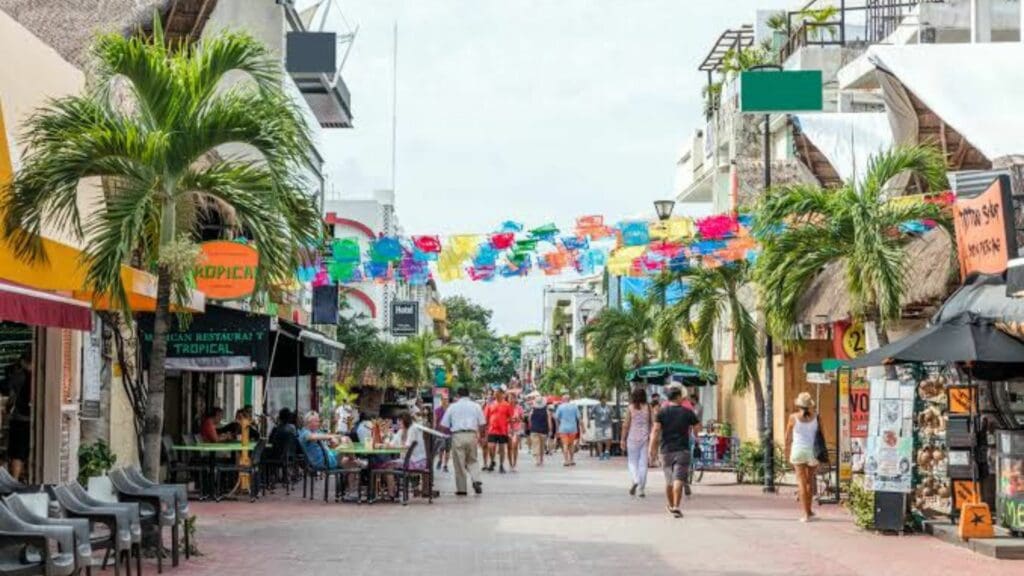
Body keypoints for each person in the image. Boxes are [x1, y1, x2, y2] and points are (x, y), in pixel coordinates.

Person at [649, 384, 701, 518]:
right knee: (679, 478)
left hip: (666, 451)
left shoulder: (661, 412)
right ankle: (676, 506)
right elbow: (697, 427)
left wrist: (651, 449)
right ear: (678, 397)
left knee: (669, 481)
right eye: (681, 397)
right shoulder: (687, 412)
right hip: (683, 450)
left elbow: (655, 431)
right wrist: (696, 436)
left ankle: (671, 505)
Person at [297, 411, 362, 494]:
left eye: (318, 421)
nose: (318, 423)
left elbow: (328, 438)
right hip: (324, 462)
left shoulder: (315, 432)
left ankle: (349, 491)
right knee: (347, 439)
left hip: (329, 459)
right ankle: (356, 460)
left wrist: (334, 439)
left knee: (353, 464)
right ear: (309, 422)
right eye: (316, 421)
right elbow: (312, 437)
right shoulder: (305, 433)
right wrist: (331, 437)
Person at [440, 387, 485, 496]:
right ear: (468, 395)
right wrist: (482, 436)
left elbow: (443, 425)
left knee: (459, 463)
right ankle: (476, 479)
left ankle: (462, 489)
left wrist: (443, 433)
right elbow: (482, 424)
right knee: (473, 460)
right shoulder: (476, 406)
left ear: (458, 395)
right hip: (472, 435)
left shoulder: (452, 407)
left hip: (457, 436)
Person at [786, 392, 823, 522]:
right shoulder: (816, 417)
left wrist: (787, 451)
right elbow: (821, 434)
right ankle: (809, 511)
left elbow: (788, 437)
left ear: (799, 405)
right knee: (809, 481)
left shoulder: (793, 417)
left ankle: (806, 514)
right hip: (812, 452)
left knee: (801, 482)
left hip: (798, 451)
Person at [4, 353, 32, 481]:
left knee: (17, 453)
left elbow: (10, 393)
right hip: (30, 418)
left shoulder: (19, 376)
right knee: (24, 452)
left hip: (20, 418)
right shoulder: (38, 376)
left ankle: (14, 481)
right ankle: (23, 480)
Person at [621, 387, 652, 497]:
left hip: (632, 438)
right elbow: (653, 423)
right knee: (643, 464)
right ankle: (641, 490)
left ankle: (635, 479)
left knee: (632, 462)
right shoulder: (648, 407)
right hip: (645, 438)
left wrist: (622, 439)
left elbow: (626, 425)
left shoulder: (630, 408)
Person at [483, 389, 514, 473]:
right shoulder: (490, 404)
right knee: (491, 447)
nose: (495, 395)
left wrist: (511, 429)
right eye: (494, 393)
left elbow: (510, 418)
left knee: (501, 448)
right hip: (492, 430)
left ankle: (501, 465)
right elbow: (486, 418)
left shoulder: (507, 405)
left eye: (497, 393)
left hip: (503, 430)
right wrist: (485, 429)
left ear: (502, 394)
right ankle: (492, 461)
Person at [554, 395, 584, 467]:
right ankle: (572, 460)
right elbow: (579, 418)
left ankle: (566, 461)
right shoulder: (574, 407)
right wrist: (583, 427)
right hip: (573, 428)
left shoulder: (560, 407)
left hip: (563, 428)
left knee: (565, 444)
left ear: (563, 400)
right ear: (569, 400)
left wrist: (557, 428)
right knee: (571, 444)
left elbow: (556, 418)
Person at [528, 397, 553, 466]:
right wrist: (550, 430)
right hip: (543, 430)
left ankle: (537, 460)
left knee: (536, 445)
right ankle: (541, 459)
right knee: (542, 446)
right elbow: (549, 421)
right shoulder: (547, 411)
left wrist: (531, 427)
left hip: (534, 430)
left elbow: (529, 420)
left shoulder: (532, 411)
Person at [434, 396, 451, 472]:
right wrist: (435, 431)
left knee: (448, 450)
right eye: (444, 399)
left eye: (446, 399)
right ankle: (440, 460)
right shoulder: (437, 410)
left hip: (449, 432)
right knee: (441, 448)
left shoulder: (450, 410)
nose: (445, 401)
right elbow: (435, 421)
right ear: (441, 400)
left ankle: (445, 465)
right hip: (440, 432)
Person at [508, 395, 524, 471]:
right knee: (509, 447)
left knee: (515, 446)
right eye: (510, 398)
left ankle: (514, 464)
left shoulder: (519, 408)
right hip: (508, 429)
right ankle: (510, 464)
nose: (511, 399)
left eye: (513, 398)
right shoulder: (506, 407)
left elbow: (522, 418)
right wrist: (509, 420)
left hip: (516, 429)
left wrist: (518, 419)